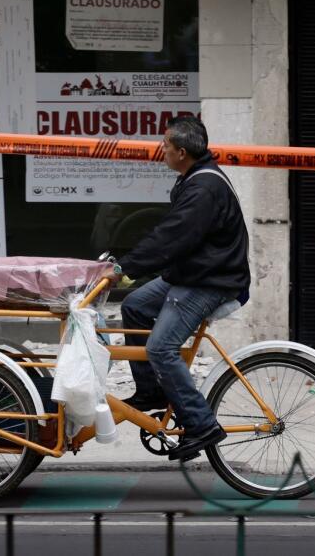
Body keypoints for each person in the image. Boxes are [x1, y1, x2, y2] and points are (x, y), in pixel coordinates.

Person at [109, 116, 250, 462]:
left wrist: (126, 267)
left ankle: (202, 425)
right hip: (194, 272)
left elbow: (172, 237)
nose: (162, 151)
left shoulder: (203, 189)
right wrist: (130, 269)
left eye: (166, 147)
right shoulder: (195, 177)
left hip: (211, 280)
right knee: (136, 307)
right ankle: (151, 393)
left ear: (182, 152)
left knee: (161, 348)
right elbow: (173, 235)